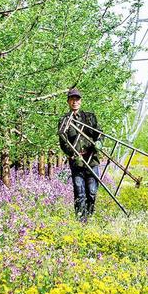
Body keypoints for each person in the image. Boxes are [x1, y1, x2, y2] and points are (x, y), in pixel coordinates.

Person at [58, 88, 103, 222]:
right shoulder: (64, 121)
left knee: (92, 192)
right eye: (72, 99)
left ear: (80, 101)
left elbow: (99, 133)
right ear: (68, 102)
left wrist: (99, 142)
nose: (75, 102)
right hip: (76, 162)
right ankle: (81, 220)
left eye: (77, 99)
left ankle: (89, 215)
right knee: (79, 192)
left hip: (92, 160)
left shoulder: (90, 117)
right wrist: (72, 153)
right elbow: (63, 141)